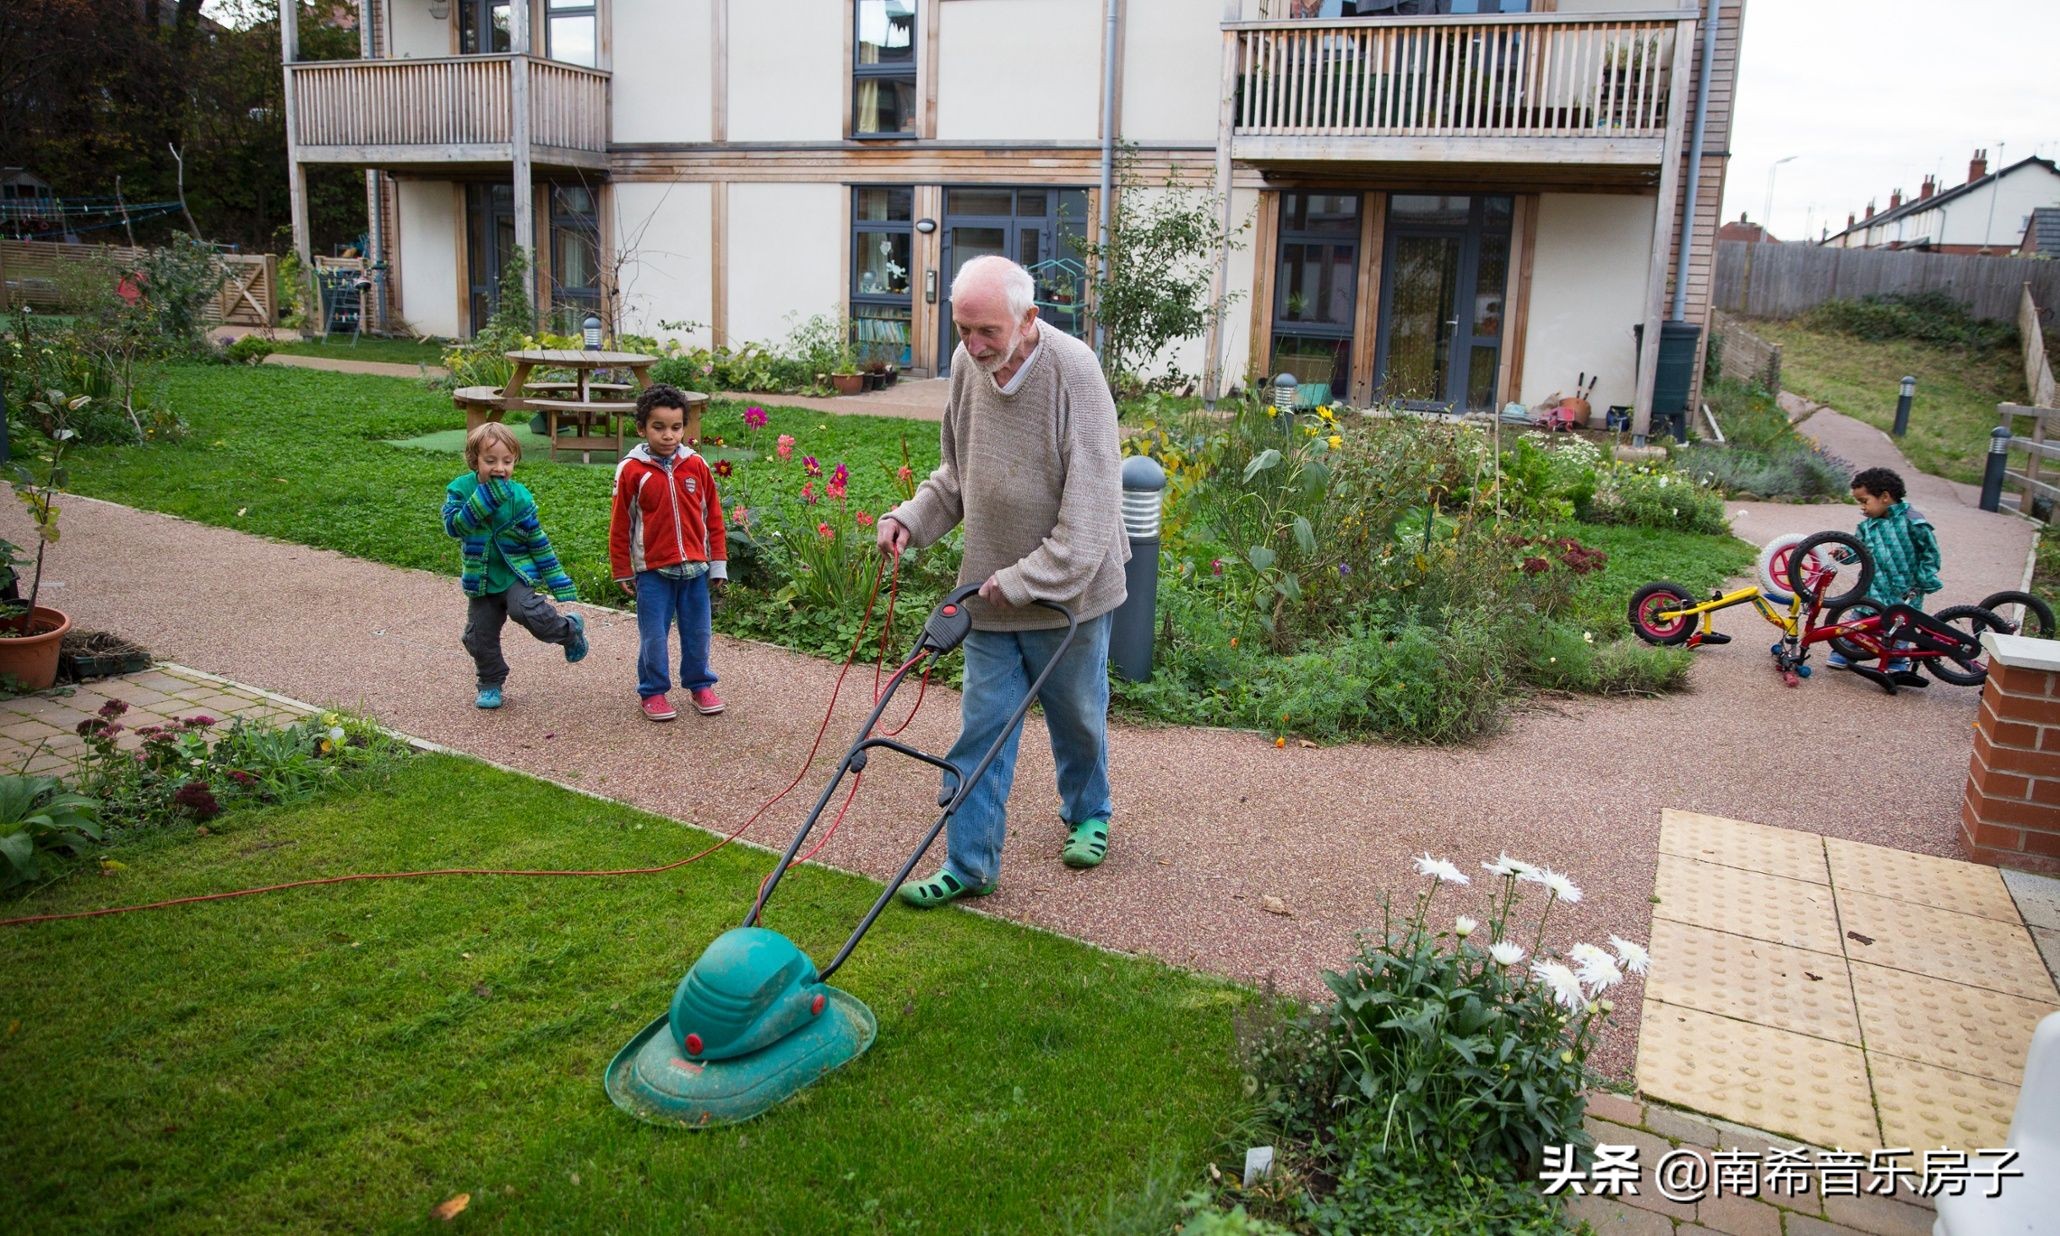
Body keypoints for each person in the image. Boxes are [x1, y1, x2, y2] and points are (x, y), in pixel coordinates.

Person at [875, 255, 1128, 908]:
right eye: (964, 331)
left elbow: (1094, 510)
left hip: (1067, 597)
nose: (975, 345)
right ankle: (970, 864)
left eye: (988, 331)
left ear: (1028, 319)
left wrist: (1025, 579)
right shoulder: (967, 368)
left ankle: (1089, 811)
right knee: (982, 729)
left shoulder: (1075, 373)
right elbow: (957, 473)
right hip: (988, 594)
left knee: (1077, 718)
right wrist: (912, 518)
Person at [442, 422, 588, 710]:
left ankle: (569, 630)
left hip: (514, 575)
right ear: (475, 461)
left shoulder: (520, 497)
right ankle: (490, 682)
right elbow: (454, 527)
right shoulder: (460, 490)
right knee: (477, 636)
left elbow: (537, 540)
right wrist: (482, 501)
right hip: (481, 580)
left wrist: (556, 578)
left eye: (507, 461)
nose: (500, 468)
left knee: (528, 612)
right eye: (490, 460)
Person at [610, 384, 728, 722]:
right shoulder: (632, 471)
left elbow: (713, 517)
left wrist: (717, 564)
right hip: (653, 572)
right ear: (642, 428)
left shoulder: (697, 466)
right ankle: (654, 691)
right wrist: (623, 568)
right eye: (658, 427)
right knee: (654, 636)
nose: (668, 435)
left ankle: (700, 684)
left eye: (676, 427)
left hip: (695, 571)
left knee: (698, 633)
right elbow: (621, 524)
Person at [1828, 465, 1943, 683]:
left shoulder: (1913, 522)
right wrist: (1844, 553)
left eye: (1864, 501)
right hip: (1872, 586)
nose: (1862, 507)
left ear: (1885, 497)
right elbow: (1857, 550)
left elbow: (1930, 552)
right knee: (1860, 619)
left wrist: (1925, 578)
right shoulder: (1867, 526)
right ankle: (1845, 651)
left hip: (1905, 589)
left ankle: (1897, 661)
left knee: (1900, 625)